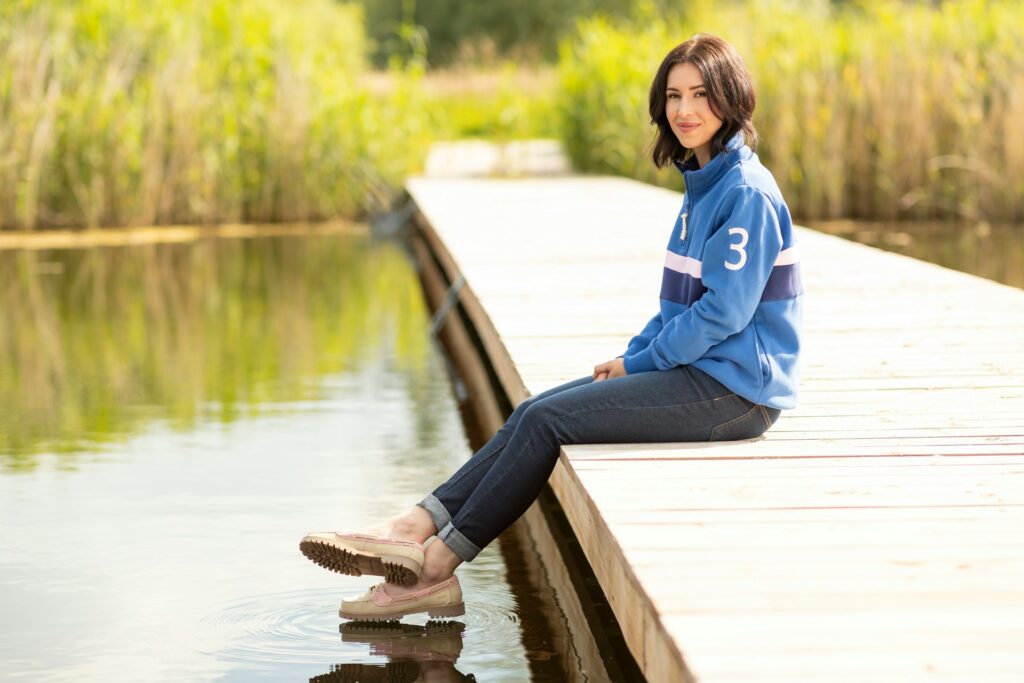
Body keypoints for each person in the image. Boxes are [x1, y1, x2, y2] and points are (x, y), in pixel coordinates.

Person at [300, 33, 803, 621]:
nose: (684, 110)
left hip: (738, 393)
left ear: (730, 98)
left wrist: (640, 366)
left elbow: (724, 314)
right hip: (701, 372)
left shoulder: (744, 193)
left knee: (547, 420)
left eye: (699, 94)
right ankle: (414, 525)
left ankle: (435, 569)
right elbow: (677, 309)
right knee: (531, 410)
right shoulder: (705, 183)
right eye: (673, 96)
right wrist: (631, 357)